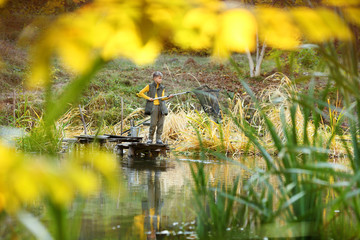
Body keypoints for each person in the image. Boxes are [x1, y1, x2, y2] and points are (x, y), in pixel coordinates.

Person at [137, 71, 173, 144]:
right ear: (154, 78)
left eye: (161, 78)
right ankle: (150, 139)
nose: (161, 80)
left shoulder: (162, 87)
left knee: (160, 124)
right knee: (153, 124)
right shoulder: (149, 86)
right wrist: (148, 98)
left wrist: (168, 97)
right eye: (159, 78)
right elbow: (140, 93)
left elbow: (162, 98)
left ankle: (158, 139)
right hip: (153, 107)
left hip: (161, 107)